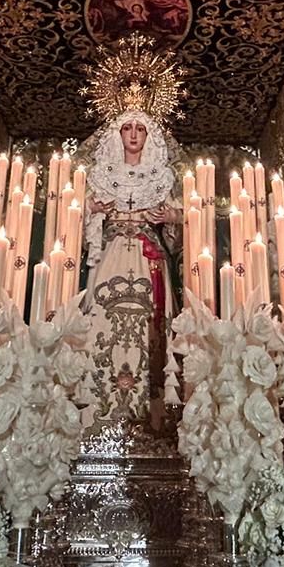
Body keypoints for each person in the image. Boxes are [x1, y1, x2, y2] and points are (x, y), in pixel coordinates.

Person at [80, 108, 182, 417]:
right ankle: (97, 406)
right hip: (110, 255)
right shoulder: (102, 175)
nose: (134, 134)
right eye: (127, 128)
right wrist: (92, 210)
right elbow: (79, 219)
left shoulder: (162, 177)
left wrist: (171, 217)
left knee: (150, 318)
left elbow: (187, 221)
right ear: (118, 135)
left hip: (147, 256)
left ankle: (151, 412)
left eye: (140, 128)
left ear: (149, 137)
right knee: (100, 314)